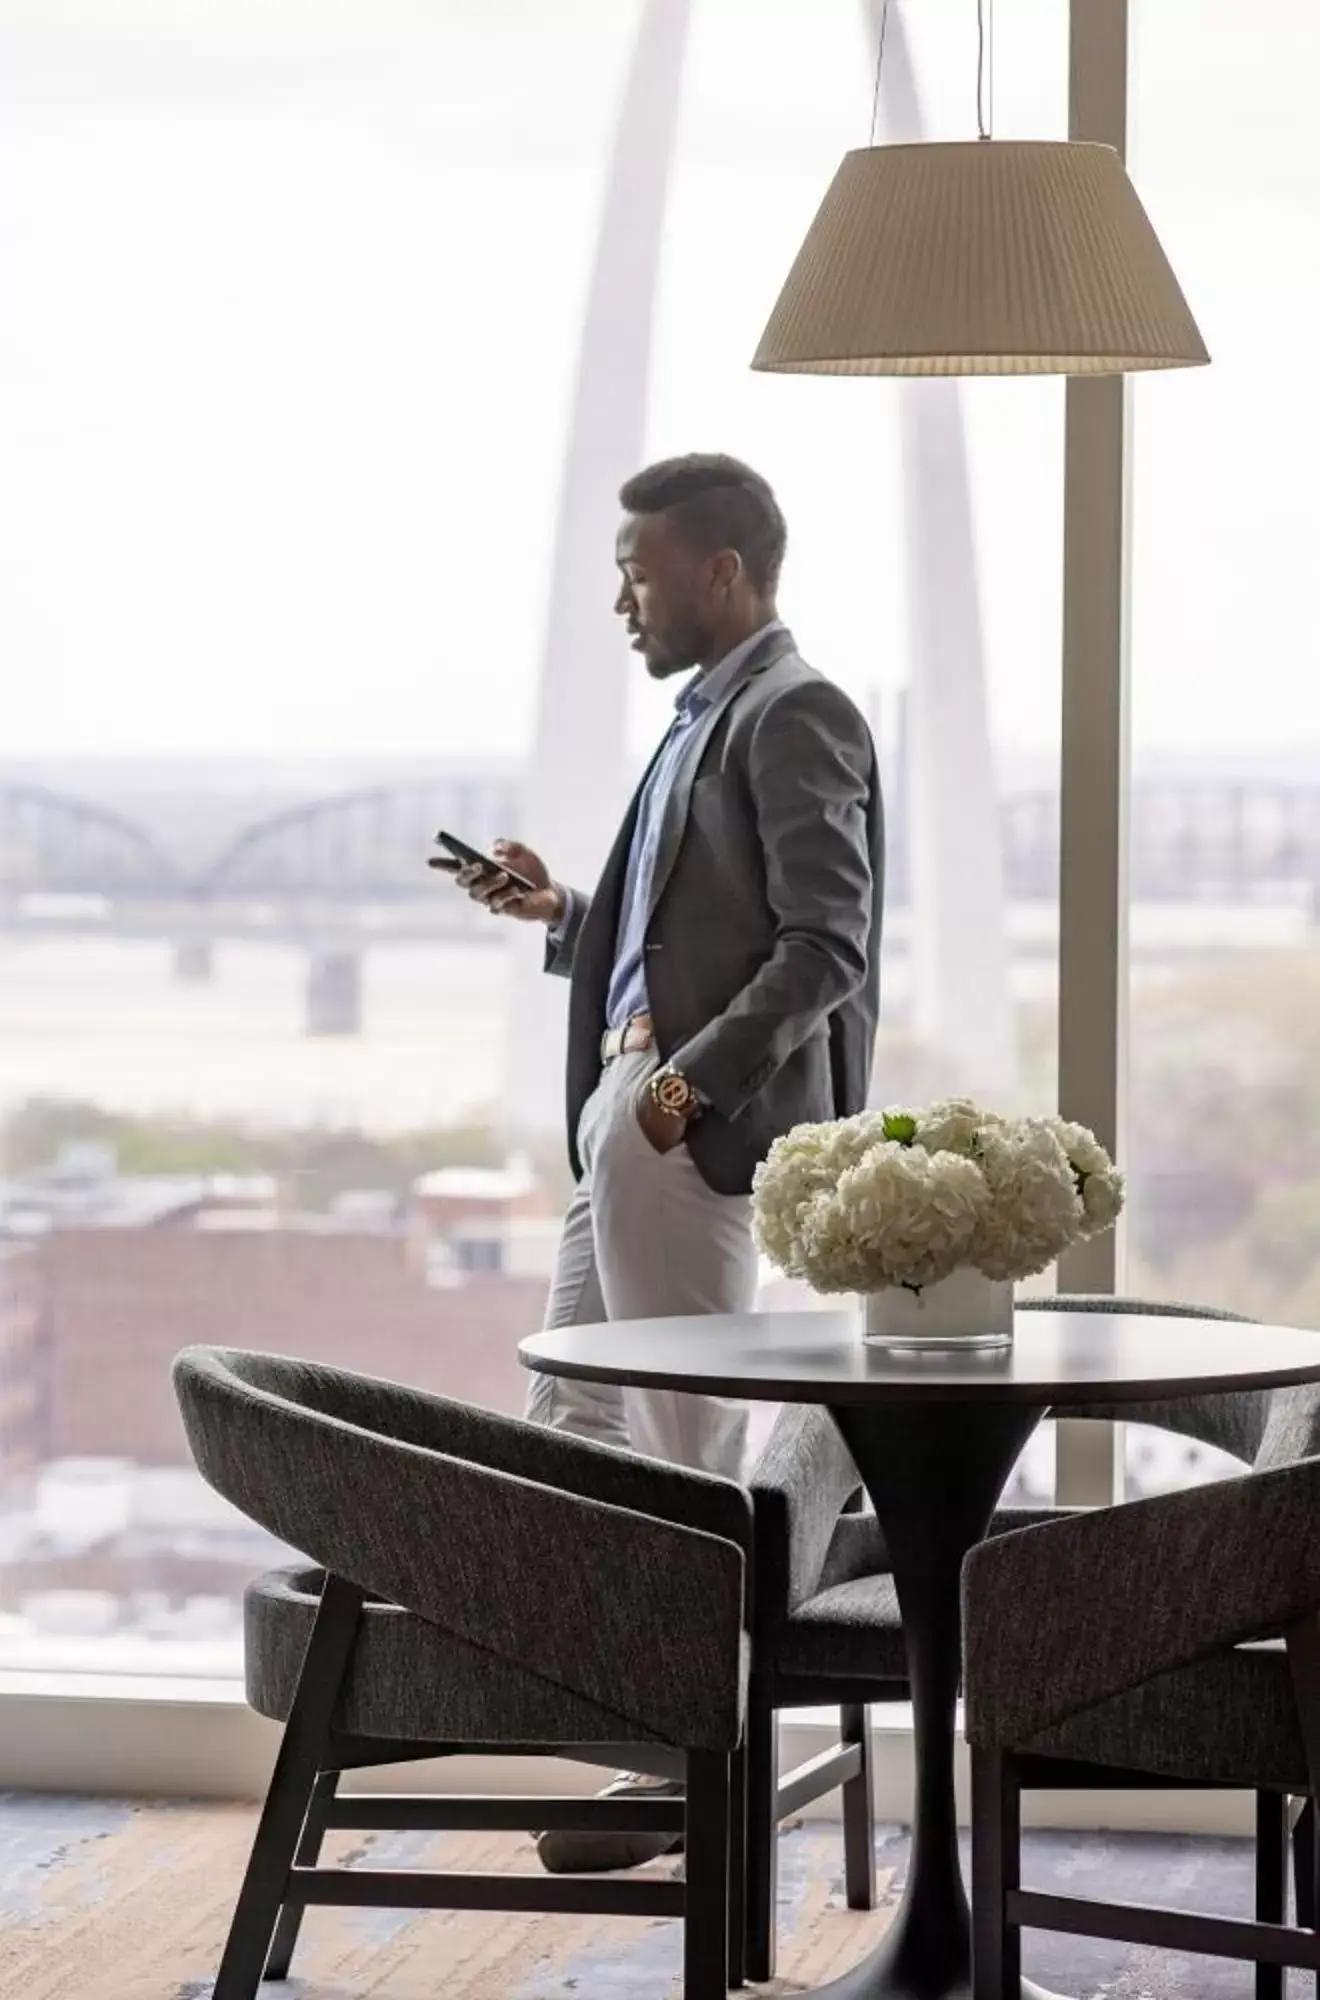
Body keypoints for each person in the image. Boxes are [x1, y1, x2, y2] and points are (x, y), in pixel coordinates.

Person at [452, 452, 885, 1872]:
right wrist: (560, 909)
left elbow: (824, 944)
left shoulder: (792, 708)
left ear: (721, 572)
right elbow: (678, 933)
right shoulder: (708, 719)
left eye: (638, 571)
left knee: (679, 1446)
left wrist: (688, 1089)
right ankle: (649, 1741)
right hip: (628, 1109)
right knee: (573, 1421)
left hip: (680, 1120)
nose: (622, 600)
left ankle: (710, 1764)